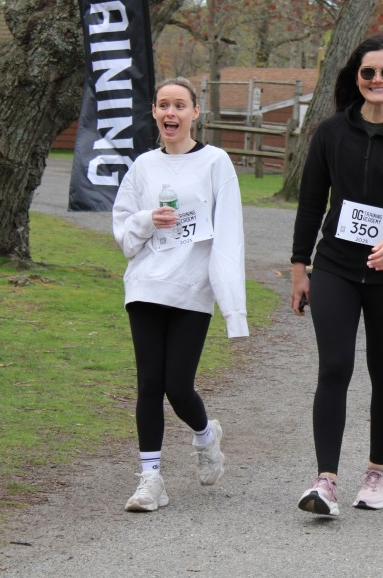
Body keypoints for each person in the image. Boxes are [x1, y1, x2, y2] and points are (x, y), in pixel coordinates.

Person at [290, 35, 383, 516]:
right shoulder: (331, 132)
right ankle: (325, 481)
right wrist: (300, 268)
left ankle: (377, 473)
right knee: (334, 366)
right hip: (335, 266)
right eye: (368, 72)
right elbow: (311, 203)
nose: (378, 80)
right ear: (355, 78)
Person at [112, 77, 248, 512]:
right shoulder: (143, 167)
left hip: (192, 288)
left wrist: (233, 308)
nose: (171, 113)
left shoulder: (215, 162)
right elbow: (123, 232)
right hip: (146, 285)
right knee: (150, 383)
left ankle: (206, 436)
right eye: (163, 105)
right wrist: (147, 219)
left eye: (179, 105)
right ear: (154, 112)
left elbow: (229, 235)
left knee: (178, 386)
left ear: (195, 113)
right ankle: (150, 479)